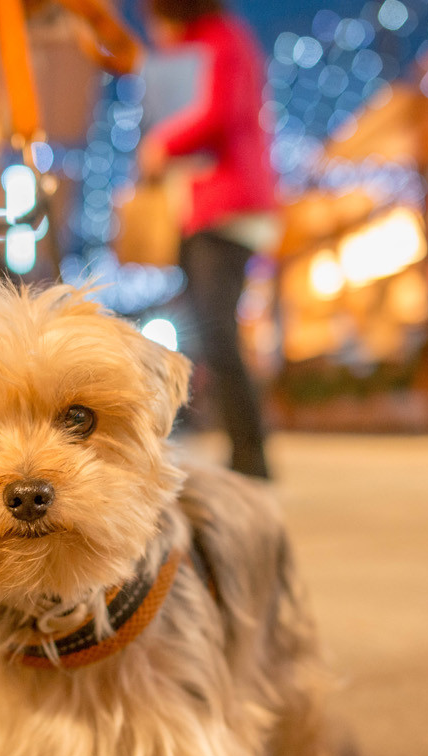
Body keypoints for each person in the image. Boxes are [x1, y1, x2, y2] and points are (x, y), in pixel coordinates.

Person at [137, 0, 276, 479]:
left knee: (215, 330)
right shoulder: (200, 43)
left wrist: (162, 145)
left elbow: (222, 113)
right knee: (200, 327)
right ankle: (230, 445)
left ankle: (251, 455)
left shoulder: (222, 38)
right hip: (197, 212)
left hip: (228, 209)